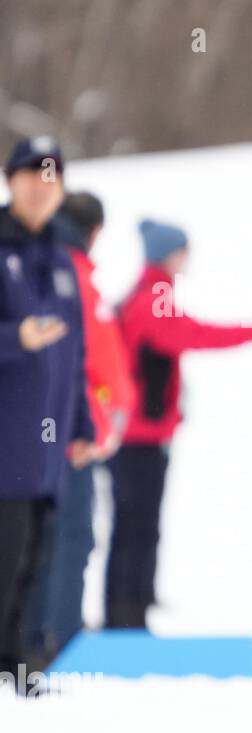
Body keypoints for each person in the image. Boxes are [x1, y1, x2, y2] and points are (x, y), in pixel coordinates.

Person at [106, 219, 252, 629]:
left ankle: (128, 609)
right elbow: (194, 334)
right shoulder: (156, 296)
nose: (189, 258)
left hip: (136, 432)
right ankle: (128, 619)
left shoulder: (144, 292)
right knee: (139, 527)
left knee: (132, 524)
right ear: (168, 254)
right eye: (184, 250)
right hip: (141, 436)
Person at [0, 136, 96, 695]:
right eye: (31, 175)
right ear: (10, 181)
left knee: (33, 563)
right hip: (5, 442)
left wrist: (81, 424)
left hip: (47, 445)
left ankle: (14, 665)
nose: (41, 187)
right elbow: (31, 341)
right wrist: (16, 338)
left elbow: (74, 355)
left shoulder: (61, 260)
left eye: (52, 177)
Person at [22, 191, 135, 664]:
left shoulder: (30, 266)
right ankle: (57, 641)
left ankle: (30, 636)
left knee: (38, 539)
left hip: (35, 428)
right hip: (70, 434)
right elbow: (101, 363)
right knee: (70, 539)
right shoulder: (75, 279)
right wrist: (104, 422)